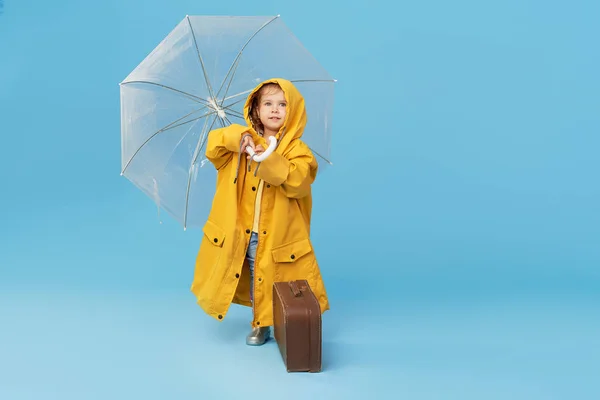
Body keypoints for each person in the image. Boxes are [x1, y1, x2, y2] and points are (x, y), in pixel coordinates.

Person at [190, 78, 329, 345]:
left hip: (280, 234)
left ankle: (282, 322)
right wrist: (238, 138)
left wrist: (267, 158)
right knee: (256, 278)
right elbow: (213, 147)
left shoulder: (298, 151)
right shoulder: (242, 143)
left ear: (294, 111)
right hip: (245, 230)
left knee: (279, 280)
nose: (275, 109)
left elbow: (297, 181)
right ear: (256, 109)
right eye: (268, 103)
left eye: (282, 104)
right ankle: (260, 323)